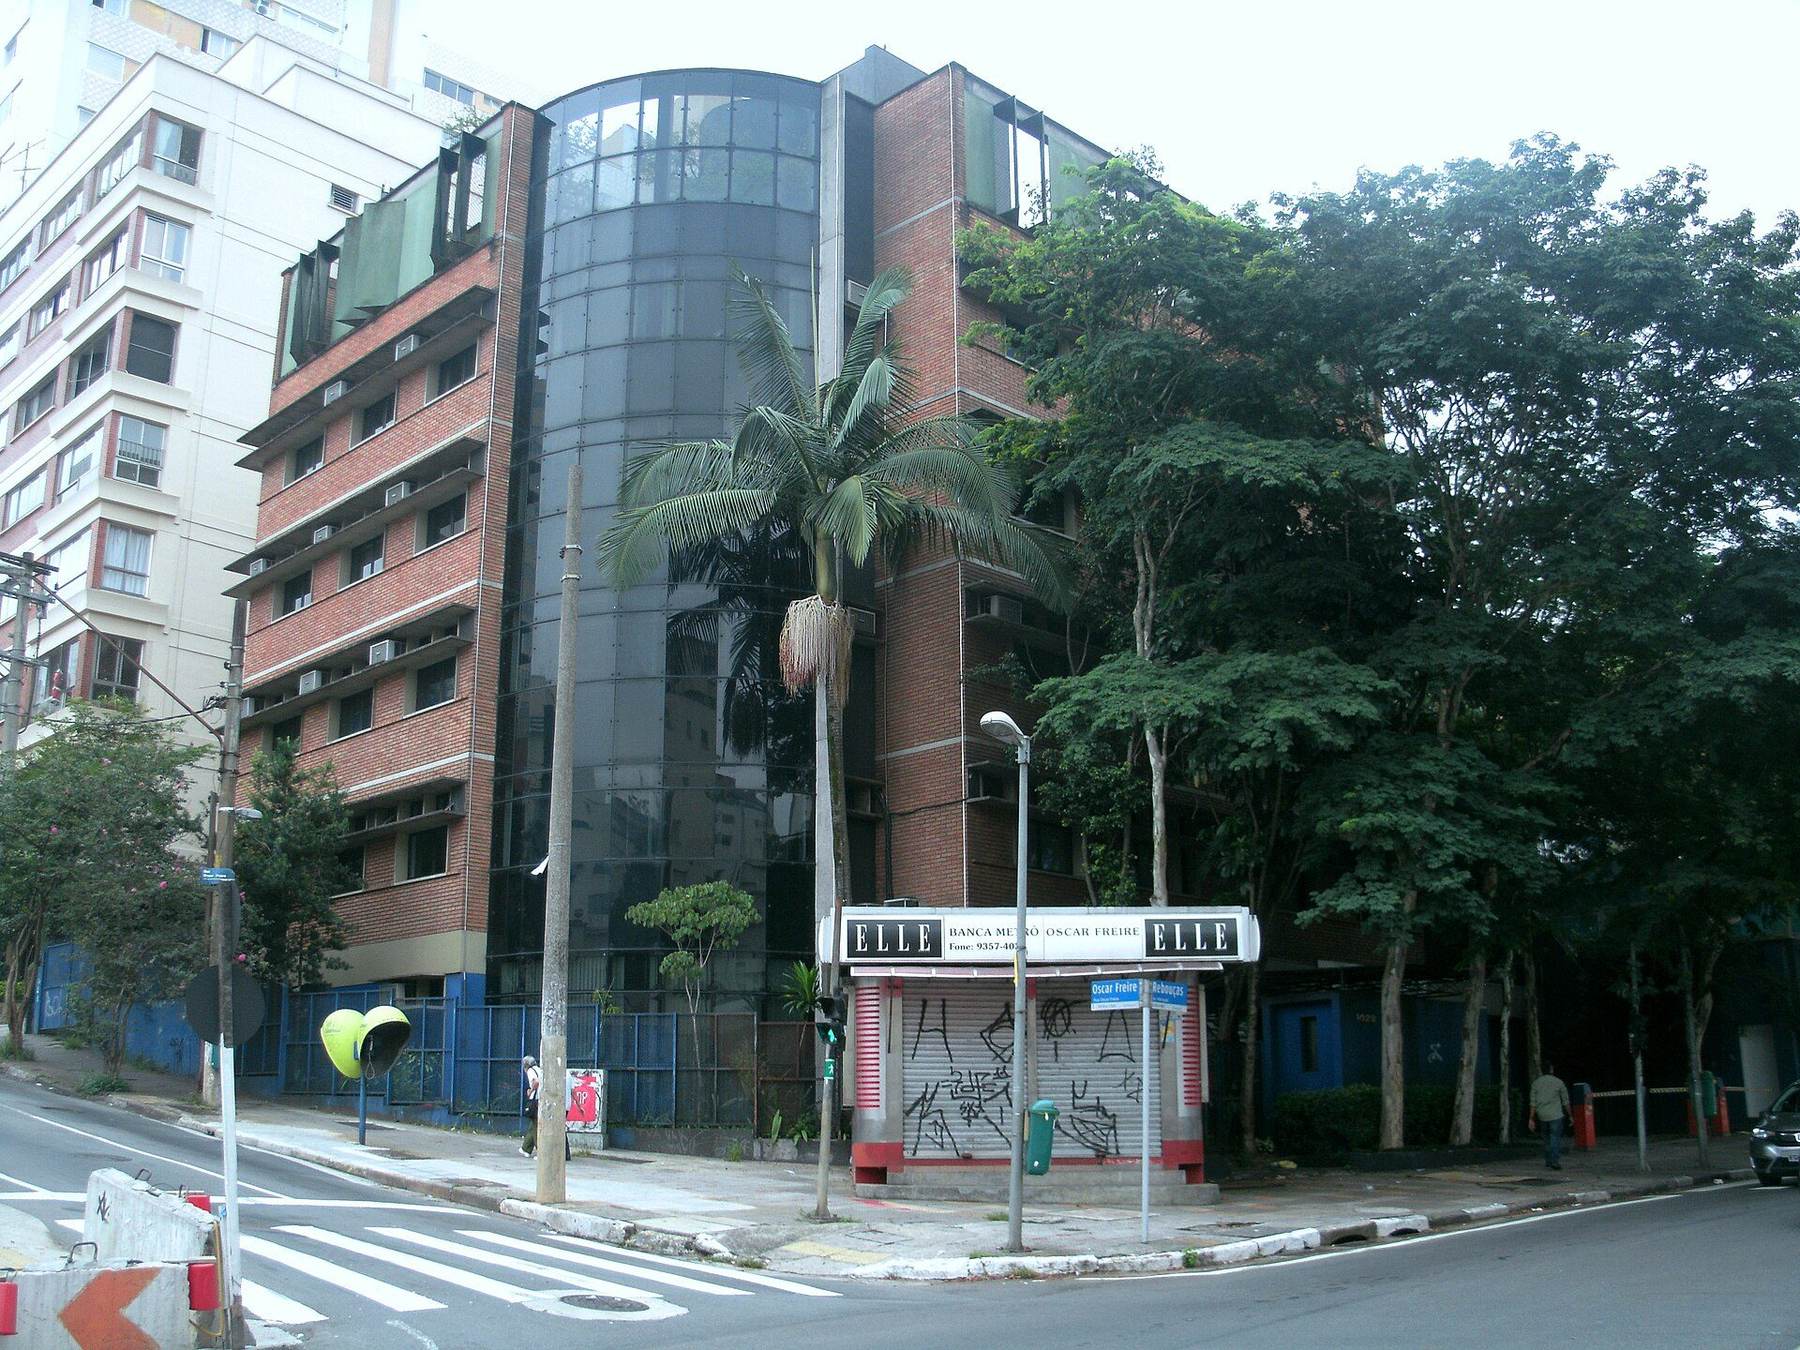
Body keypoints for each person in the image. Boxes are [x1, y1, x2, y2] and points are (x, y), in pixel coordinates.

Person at [519, 1054, 570, 1160]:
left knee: (538, 1126)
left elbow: (536, 1082)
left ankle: (541, 1152)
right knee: (535, 1124)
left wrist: (530, 1091)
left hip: (538, 1100)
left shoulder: (531, 1071)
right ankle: (526, 1148)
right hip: (557, 1102)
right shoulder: (543, 1070)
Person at [1528, 1063, 1572, 1169]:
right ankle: (1554, 1161)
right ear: (1552, 1070)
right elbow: (1565, 1101)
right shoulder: (1559, 1082)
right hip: (1556, 1115)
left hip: (1542, 1115)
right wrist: (1570, 1115)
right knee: (1555, 1138)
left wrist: (1531, 1118)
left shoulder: (1536, 1083)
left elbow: (1533, 1103)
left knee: (1546, 1138)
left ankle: (1548, 1160)